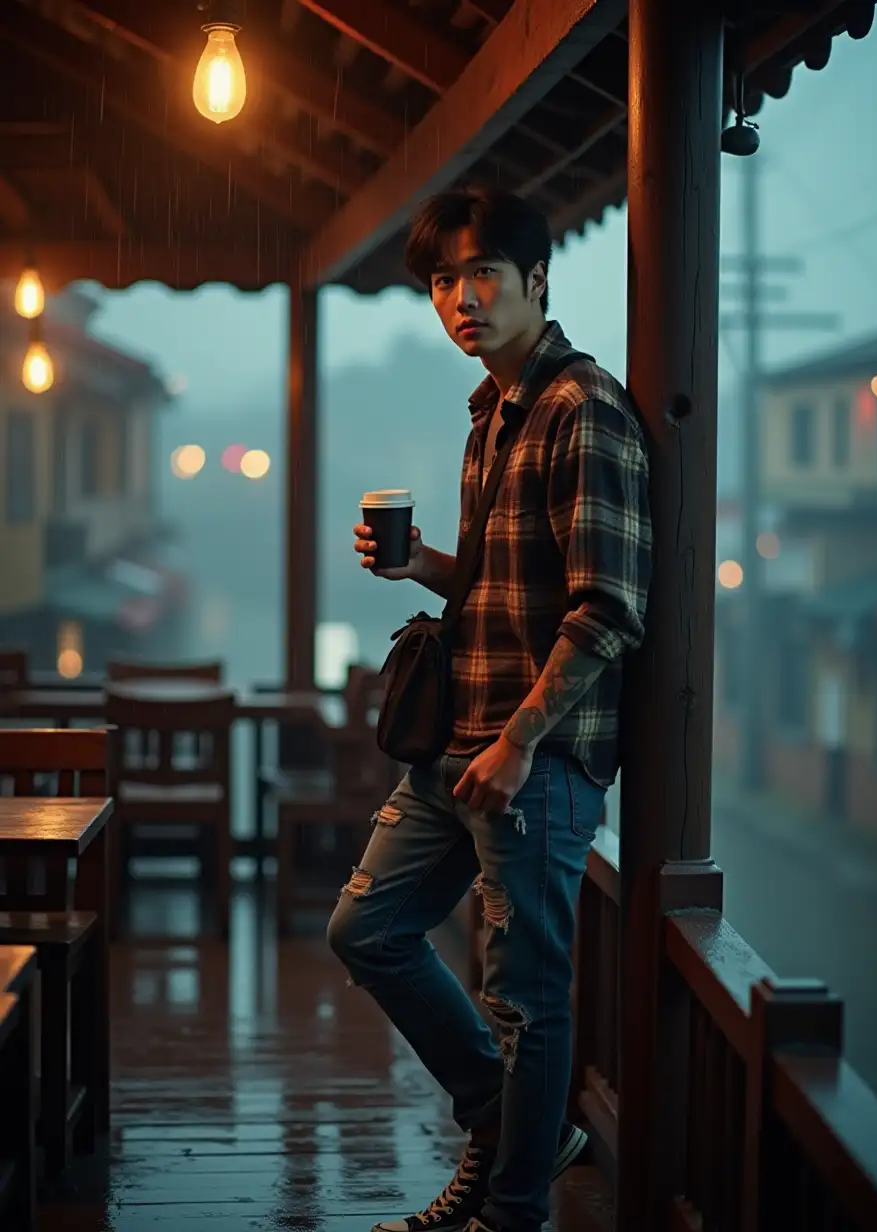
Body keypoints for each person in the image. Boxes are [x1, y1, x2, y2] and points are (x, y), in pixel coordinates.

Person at [327, 188, 652, 1232]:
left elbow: (606, 609)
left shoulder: (581, 406)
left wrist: (520, 741)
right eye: (440, 282)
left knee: (525, 998)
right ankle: (506, 1121)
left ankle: (512, 1206)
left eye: (480, 276)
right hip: (457, 741)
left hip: (536, 758)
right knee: (366, 925)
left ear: (535, 281)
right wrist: (425, 564)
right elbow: (511, 587)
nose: (460, 299)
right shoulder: (490, 409)